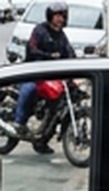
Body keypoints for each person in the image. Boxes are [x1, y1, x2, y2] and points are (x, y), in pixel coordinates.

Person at [10, 1, 74, 154]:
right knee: (30, 88)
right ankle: (19, 122)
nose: (60, 19)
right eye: (57, 15)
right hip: (35, 72)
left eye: (62, 16)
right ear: (50, 16)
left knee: (59, 104)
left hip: (52, 76)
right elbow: (31, 50)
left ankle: (42, 140)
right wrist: (49, 56)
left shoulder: (62, 36)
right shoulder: (40, 31)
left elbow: (69, 53)